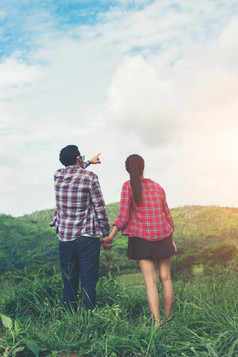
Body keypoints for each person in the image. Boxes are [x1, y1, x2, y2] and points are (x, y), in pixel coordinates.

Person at [101, 154, 177, 326]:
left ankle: (157, 323)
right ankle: (168, 318)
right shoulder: (158, 187)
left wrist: (111, 236)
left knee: (150, 282)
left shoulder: (128, 186)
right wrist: (172, 240)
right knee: (166, 278)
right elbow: (168, 217)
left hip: (142, 239)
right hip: (164, 236)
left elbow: (123, 216)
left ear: (128, 169)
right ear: (143, 167)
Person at [50, 145, 111, 312]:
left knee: (69, 281)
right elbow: (99, 207)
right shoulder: (90, 177)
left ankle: (70, 319)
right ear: (78, 158)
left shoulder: (57, 176)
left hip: (65, 237)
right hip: (87, 236)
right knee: (88, 282)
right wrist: (105, 234)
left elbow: (74, 169)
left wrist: (88, 161)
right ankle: (88, 319)